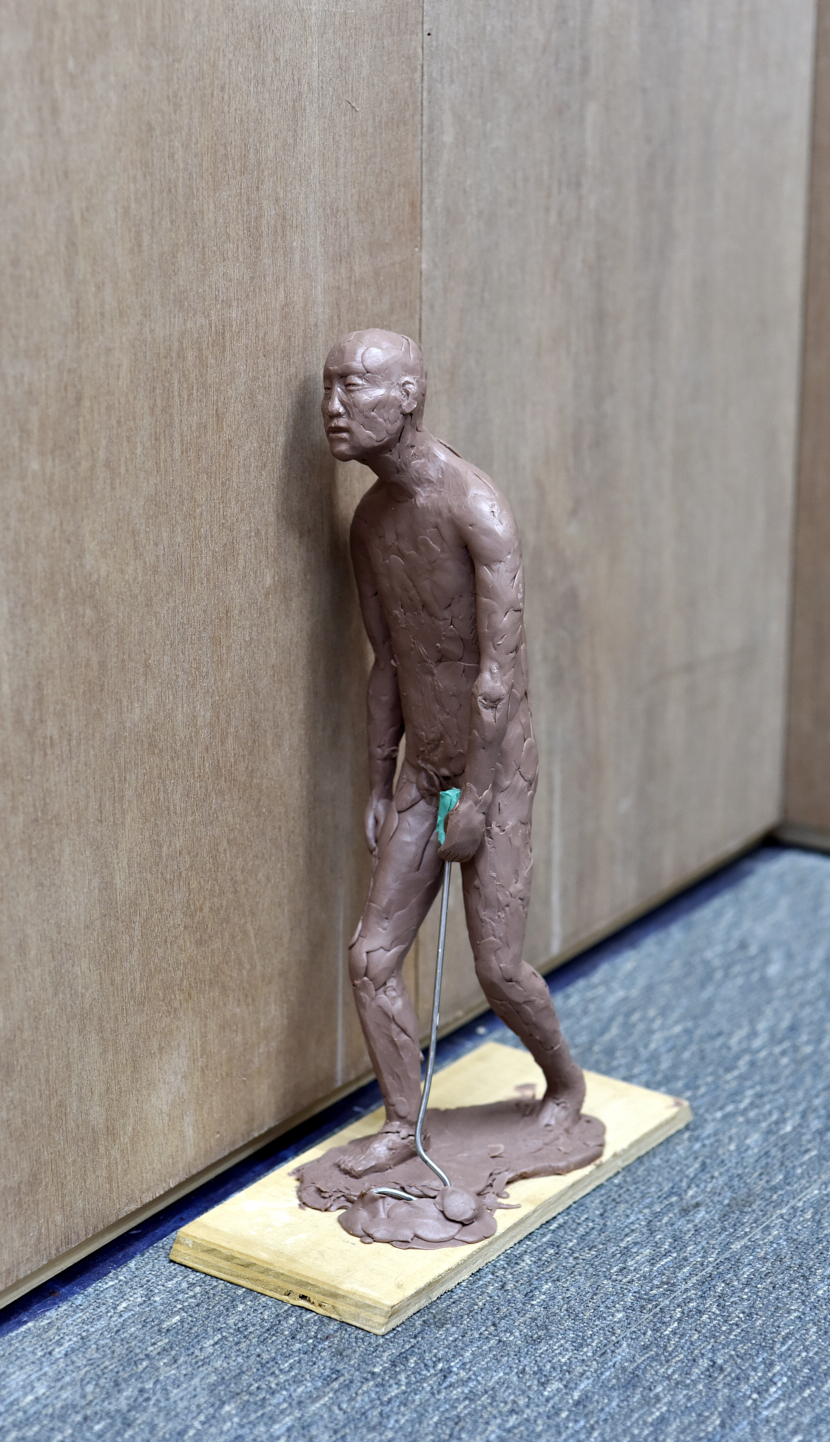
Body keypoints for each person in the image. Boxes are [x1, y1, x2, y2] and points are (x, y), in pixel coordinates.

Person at [323, 329, 586, 1177]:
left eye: (353, 387)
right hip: (423, 770)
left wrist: (475, 798)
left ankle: (565, 1086)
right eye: (328, 388)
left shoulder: (477, 508)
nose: (332, 407)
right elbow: (388, 662)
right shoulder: (369, 523)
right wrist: (379, 780)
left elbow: (499, 676)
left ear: (406, 397)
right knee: (371, 959)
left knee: (499, 969)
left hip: (494, 771)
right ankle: (403, 1124)